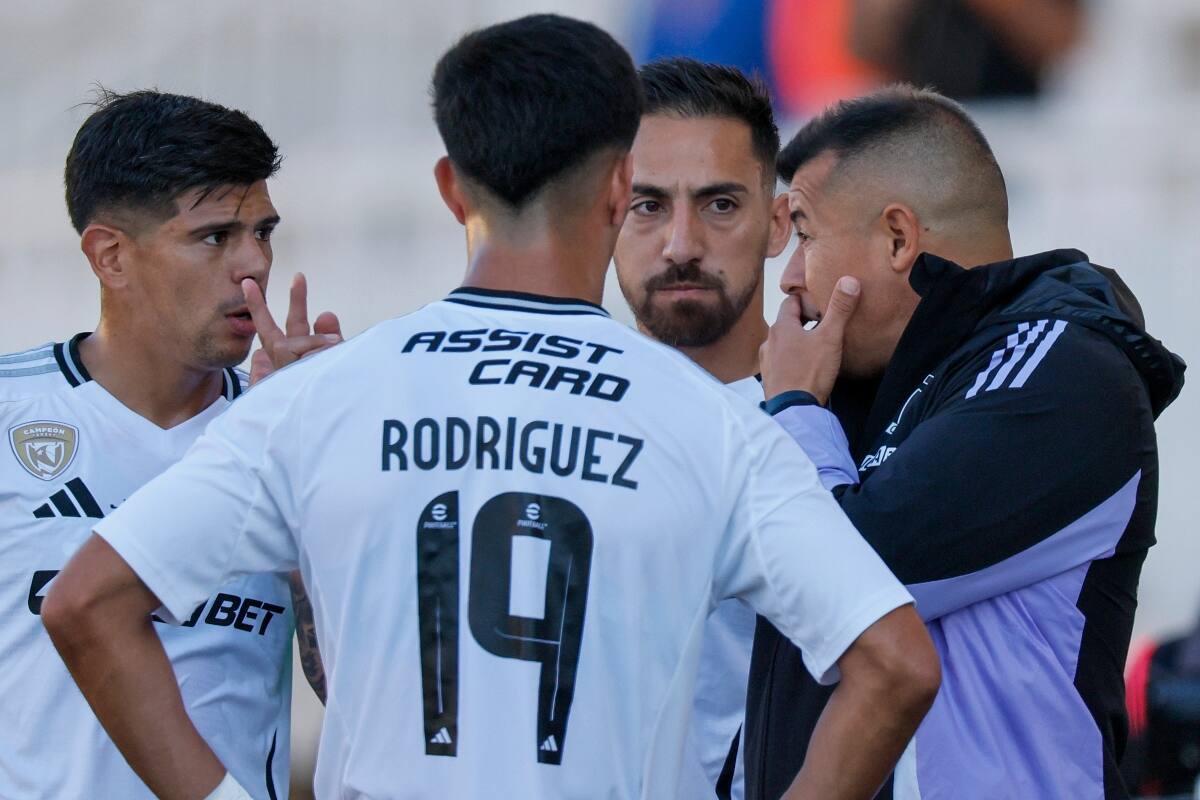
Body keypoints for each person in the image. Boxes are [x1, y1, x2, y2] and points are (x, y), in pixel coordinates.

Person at [42, 15, 939, 800]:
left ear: (449, 188)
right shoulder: (711, 423)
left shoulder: (319, 398)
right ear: (619, 189)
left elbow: (85, 606)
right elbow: (895, 665)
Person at [747, 84, 1186, 799]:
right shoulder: (871, 384)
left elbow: (845, 579)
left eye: (803, 233)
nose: (790, 277)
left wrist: (794, 407)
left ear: (898, 238)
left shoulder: (1062, 370)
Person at [0, 90, 336, 799]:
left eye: (264, 232)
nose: (254, 267)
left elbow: (350, 689)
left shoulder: (286, 429)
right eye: (216, 236)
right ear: (111, 257)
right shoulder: (10, 415)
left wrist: (314, 472)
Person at [612, 57, 791, 800]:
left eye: (719, 205)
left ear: (778, 223)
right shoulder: (544, 423)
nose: (681, 244)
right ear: (603, 214)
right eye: (647, 206)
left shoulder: (854, 425)